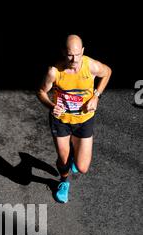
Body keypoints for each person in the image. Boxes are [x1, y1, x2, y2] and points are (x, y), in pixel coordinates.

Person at [37, 34, 112, 203]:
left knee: (82, 167)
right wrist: (51, 106)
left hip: (84, 120)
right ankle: (63, 183)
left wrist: (96, 96)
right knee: (63, 160)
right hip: (61, 120)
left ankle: (73, 157)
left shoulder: (90, 65)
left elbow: (107, 72)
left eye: (78, 54)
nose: (74, 59)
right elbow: (41, 92)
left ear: (83, 52)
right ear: (64, 52)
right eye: (70, 55)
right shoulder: (54, 72)